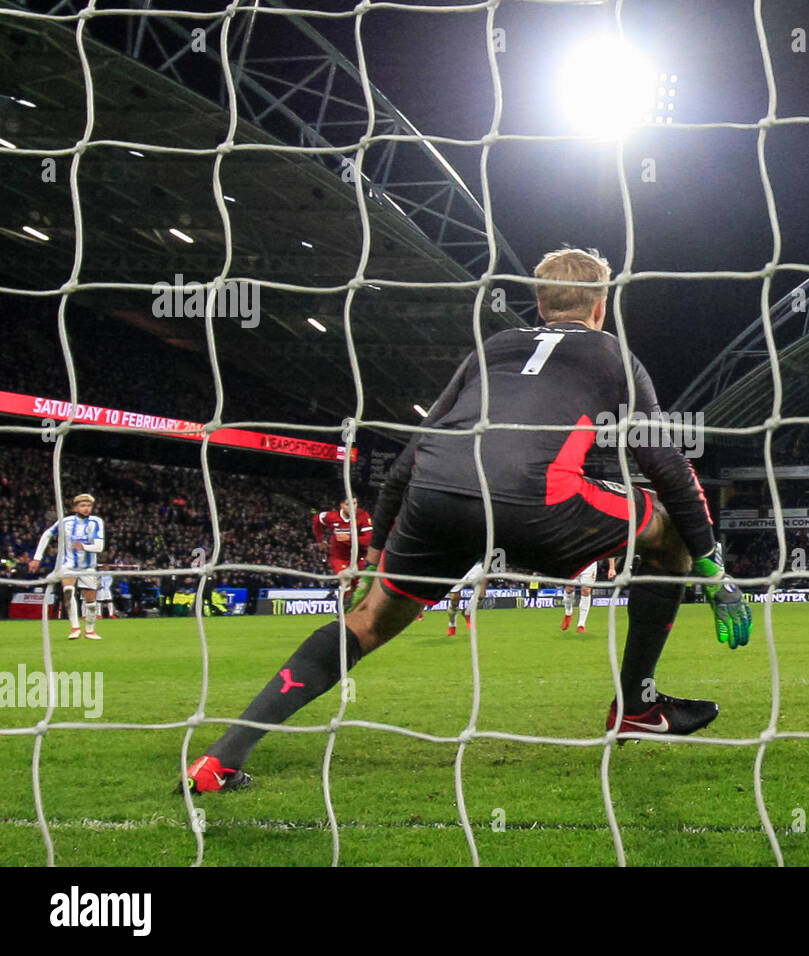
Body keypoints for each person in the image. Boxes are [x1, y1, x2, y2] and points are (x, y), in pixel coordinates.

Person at [181, 247, 751, 793]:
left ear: (538, 302)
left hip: (436, 497)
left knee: (368, 621)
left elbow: (412, 451)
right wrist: (709, 563)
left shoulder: (495, 345)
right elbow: (665, 463)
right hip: (538, 505)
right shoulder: (611, 355)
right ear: (602, 304)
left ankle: (221, 759)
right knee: (668, 527)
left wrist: (376, 551)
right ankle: (635, 705)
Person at [29, 493, 105, 640]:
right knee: (68, 591)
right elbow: (47, 534)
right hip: (68, 565)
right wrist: (37, 558)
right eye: (82, 505)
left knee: (90, 602)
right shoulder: (65, 522)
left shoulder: (96, 522)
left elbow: (100, 546)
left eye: (89, 505)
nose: (86, 508)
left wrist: (83, 546)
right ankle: (75, 627)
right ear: (75, 508)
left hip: (88, 567)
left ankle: (90, 630)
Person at [313, 498, 373, 604]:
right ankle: (344, 609)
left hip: (359, 557)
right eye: (348, 504)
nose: (352, 507)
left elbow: (368, 540)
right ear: (341, 505)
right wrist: (320, 540)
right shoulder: (332, 517)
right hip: (339, 557)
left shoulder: (363, 516)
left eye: (354, 503)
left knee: (361, 586)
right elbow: (317, 519)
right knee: (345, 579)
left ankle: (355, 609)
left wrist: (349, 538)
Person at [562, 557, 617, 632]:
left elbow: (610, 548)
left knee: (586, 591)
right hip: (573, 562)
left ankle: (581, 624)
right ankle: (568, 613)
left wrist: (612, 567)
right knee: (569, 589)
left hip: (590, 563)